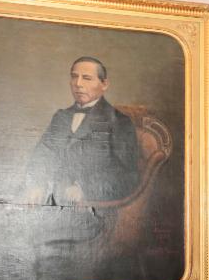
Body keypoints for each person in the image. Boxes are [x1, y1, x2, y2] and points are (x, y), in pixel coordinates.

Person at [25, 56, 139, 206]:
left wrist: (85, 189)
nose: (78, 84)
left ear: (104, 84)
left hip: (93, 208)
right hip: (50, 202)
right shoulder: (61, 117)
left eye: (87, 78)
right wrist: (36, 184)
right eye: (74, 77)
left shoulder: (120, 122)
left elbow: (128, 177)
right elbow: (42, 154)